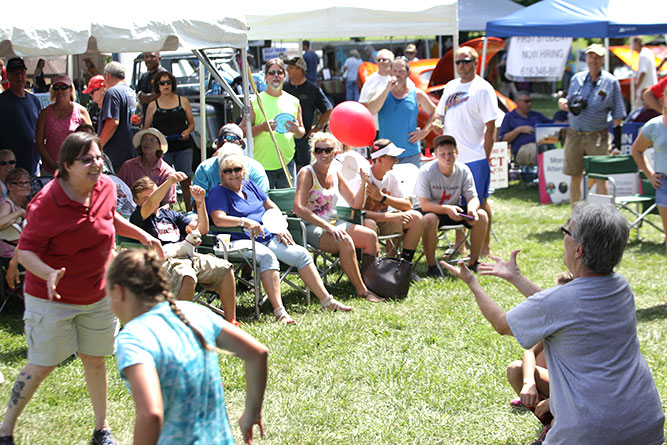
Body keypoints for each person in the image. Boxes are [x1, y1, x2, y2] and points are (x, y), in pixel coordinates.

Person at [442, 201, 665, 445]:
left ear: (578, 249)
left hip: (592, 433)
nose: (563, 238)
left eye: (566, 232)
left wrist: (473, 283)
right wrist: (516, 278)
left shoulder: (562, 300)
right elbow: (560, 308)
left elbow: (501, 324)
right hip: (645, 425)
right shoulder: (621, 287)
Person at [0, 132, 163, 445]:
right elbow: (27, 249)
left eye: (99, 157)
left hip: (98, 293)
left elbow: (109, 217)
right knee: (43, 363)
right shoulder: (46, 202)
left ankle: (101, 430)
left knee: (96, 359)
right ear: (66, 165)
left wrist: (144, 237)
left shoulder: (104, 187)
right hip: (52, 298)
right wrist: (47, 273)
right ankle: (6, 428)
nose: (96, 164)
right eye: (87, 159)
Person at [108, 249, 268, 445]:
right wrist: (252, 412)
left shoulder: (133, 338)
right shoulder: (195, 312)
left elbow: (151, 414)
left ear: (118, 291)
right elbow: (257, 353)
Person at [208, 154, 353, 323]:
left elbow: (272, 207)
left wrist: (279, 227)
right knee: (268, 258)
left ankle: (327, 301)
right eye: (228, 171)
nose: (233, 174)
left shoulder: (250, 186)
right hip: (238, 239)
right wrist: (245, 222)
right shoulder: (218, 192)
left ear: (244, 171)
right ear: (222, 175)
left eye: (237, 169)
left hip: (266, 236)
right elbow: (218, 219)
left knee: (301, 254)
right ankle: (280, 312)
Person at [130, 174, 239, 326]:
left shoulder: (171, 215)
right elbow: (149, 206)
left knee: (225, 268)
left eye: (154, 195)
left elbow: (201, 229)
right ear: (136, 201)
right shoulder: (138, 217)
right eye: (146, 198)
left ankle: (231, 322)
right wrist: (169, 183)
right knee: (186, 275)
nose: (153, 200)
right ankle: (183, 328)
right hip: (162, 262)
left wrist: (200, 203)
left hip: (188, 256)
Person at [293, 132, 383, 303]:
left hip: (335, 223)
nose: (323, 154)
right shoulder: (307, 173)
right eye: (319, 150)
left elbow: (355, 204)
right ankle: (362, 291)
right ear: (313, 153)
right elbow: (298, 208)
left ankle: (372, 283)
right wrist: (327, 227)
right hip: (312, 226)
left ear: (335, 153)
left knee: (370, 235)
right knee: (345, 240)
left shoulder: (335, 172)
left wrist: (364, 182)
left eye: (328, 150)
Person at [429, 46, 498, 256]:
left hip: (475, 157)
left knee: (480, 202)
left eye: (466, 61)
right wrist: (437, 122)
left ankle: (484, 247)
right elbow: (438, 114)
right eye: (458, 62)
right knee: (455, 202)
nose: (461, 66)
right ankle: (461, 244)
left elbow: (491, 126)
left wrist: (484, 155)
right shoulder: (451, 86)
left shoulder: (483, 88)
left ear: (476, 63)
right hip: (452, 159)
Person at [557, 44, 626, 205]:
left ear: (603, 60)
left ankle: (604, 216)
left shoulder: (611, 82)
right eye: (590, 56)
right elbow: (570, 100)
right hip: (575, 134)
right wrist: (563, 102)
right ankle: (576, 217)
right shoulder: (576, 79)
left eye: (597, 57)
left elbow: (618, 115)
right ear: (586, 58)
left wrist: (617, 144)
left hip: (598, 136)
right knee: (575, 175)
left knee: (600, 177)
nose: (593, 60)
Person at [414, 135, 488, 278]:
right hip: (431, 211)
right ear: (435, 155)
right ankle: (432, 266)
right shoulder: (426, 171)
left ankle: (474, 262)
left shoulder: (463, 170)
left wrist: (472, 209)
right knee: (429, 219)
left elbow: (473, 197)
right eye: (442, 154)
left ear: (457, 153)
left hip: (454, 209)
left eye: (450, 153)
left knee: (482, 215)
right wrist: (446, 209)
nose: (447, 157)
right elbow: (424, 204)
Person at [240, 58, 305, 189]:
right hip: (262, 166)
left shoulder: (294, 101)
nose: (276, 76)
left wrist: (296, 130)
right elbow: (242, 132)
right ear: (265, 77)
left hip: (286, 163)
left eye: (279, 72)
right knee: (263, 206)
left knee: (287, 206)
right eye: (272, 73)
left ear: (284, 76)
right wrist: (262, 127)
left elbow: (301, 132)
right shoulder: (255, 101)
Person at [362, 139, 423, 265]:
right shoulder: (364, 177)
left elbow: (407, 205)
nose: (396, 160)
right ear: (379, 159)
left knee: (416, 217)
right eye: (392, 157)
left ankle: (402, 266)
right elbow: (357, 213)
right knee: (370, 223)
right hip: (364, 223)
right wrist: (391, 216)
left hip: (383, 221)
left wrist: (382, 198)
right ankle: (375, 268)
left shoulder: (391, 175)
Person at [367, 57, 436, 166]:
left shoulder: (417, 94)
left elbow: (435, 113)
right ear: (390, 72)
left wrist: (425, 132)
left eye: (401, 71)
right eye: (395, 71)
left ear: (408, 73)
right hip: (386, 154)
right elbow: (371, 110)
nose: (397, 74)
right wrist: (387, 89)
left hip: (410, 154)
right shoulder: (381, 91)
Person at [144, 70, 196, 211]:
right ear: (158, 86)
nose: (165, 85)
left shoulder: (183, 101)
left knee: (185, 180)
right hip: (162, 148)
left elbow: (192, 124)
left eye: (168, 82)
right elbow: (146, 129)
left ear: (172, 84)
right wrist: (155, 139)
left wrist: (187, 132)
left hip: (183, 146)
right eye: (162, 83)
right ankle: (165, 210)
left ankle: (189, 211)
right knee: (164, 181)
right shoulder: (153, 105)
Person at [631, 90, 667, 261]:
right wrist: (650, 174)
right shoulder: (654, 125)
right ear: (663, 99)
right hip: (664, 182)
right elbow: (637, 150)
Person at [35, 75, 92, 176]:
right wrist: (52, 164)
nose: (60, 91)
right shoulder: (45, 113)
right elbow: (39, 142)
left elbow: (91, 139)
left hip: (76, 169)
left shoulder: (81, 111)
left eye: (64, 87)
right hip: (50, 170)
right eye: (56, 87)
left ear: (71, 89)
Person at [283, 57, 332, 170]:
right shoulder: (284, 88)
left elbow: (328, 109)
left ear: (300, 70)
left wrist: (317, 127)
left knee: (305, 169)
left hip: (304, 139)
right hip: (285, 138)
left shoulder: (312, 89)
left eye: (291, 68)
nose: (287, 70)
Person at [194, 124, 269, 196]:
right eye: (222, 139)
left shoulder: (255, 168)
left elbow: (263, 198)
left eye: (231, 138)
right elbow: (196, 203)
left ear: (241, 143)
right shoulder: (205, 168)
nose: (225, 141)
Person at [0, 57, 42, 175]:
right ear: (8, 76)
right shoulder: (2, 102)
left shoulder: (34, 100)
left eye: (22, 73)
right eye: (15, 73)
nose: (19, 77)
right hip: (9, 168)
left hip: (33, 165)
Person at [118, 128, 176, 206]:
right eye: (144, 139)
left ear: (159, 146)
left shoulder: (167, 172)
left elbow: (167, 204)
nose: (147, 142)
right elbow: (117, 189)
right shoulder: (128, 166)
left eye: (152, 140)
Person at [98, 61, 137, 172]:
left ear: (107, 75)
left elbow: (112, 122)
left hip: (117, 155)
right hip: (132, 151)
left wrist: (98, 145)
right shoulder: (131, 92)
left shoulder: (112, 93)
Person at [497, 91, 552, 165]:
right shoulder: (510, 117)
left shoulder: (536, 115)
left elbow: (552, 125)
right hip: (523, 149)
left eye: (530, 101)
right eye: (526, 101)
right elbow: (503, 139)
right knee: (533, 149)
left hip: (542, 144)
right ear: (518, 102)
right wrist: (519, 130)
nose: (529, 104)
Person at [0, 168, 29, 276]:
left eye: (27, 182)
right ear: (9, 186)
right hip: (10, 257)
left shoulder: (24, 203)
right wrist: (20, 212)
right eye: (20, 183)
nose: (25, 186)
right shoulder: (7, 203)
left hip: (22, 254)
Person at [135, 51, 166, 119]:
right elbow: (137, 95)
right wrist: (143, 96)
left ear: (159, 58)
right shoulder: (144, 76)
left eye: (152, 57)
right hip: (147, 119)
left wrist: (142, 96)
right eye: (146, 57)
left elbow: (153, 98)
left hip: (162, 119)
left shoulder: (163, 75)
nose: (149, 59)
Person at [632, 37, 658, 110]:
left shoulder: (643, 55)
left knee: (641, 110)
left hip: (644, 89)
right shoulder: (648, 52)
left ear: (637, 43)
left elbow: (643, 72)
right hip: (651, 87)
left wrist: (637, 87)